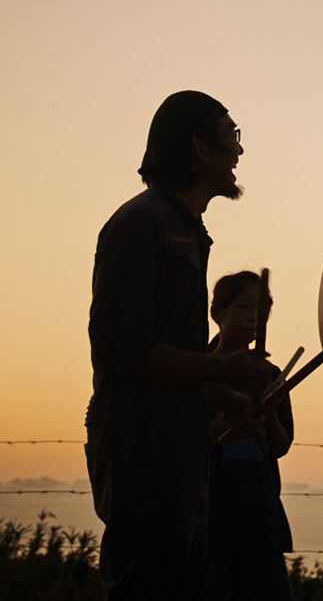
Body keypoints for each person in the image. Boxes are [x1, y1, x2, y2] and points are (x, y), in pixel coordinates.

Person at [86, 91, 274, 600]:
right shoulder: (142, 223)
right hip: (142, 457)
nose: (238, 152)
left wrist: (225, 401)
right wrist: (223, 373)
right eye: (230, 137)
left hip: (179, 455)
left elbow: (167, 360)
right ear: (198, 148)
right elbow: (120, 346)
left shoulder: (190, 233)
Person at [207, 271, 294, 601]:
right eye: (243, 308)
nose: (253, 320)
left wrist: (269, 410)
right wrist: (231, 401)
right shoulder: (199, 370)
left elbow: (281, 447)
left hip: (262, 520)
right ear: (218, 313)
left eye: (262, 313)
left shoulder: (270, 375)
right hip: (213, 520)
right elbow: (195, 443)